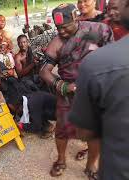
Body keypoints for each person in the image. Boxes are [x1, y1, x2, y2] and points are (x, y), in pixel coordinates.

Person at [39, 4, 113, 178]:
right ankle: (61, 161)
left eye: (65, 27)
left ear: (75, 18)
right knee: (62, 130)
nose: (61, 32)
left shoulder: (98, 30)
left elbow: (112, 53)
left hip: (95, 91)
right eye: (58, 28)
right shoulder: (56, 43)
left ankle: (91, 166)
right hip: (68, 93)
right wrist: (63, 86)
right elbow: (44, 71)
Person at [70, 0, 129, 179]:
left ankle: (92, 160)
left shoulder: (103, 24)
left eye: (117, 7)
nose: (113, 11)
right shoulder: (79, 22)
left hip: (109, 71)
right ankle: (91, 153)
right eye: (79, 1)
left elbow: (85, 128)